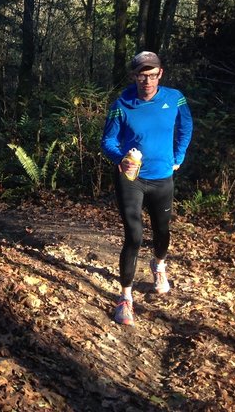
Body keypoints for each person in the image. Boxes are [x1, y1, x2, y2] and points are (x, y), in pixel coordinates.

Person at [101, 51, 193, 326]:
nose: (148, 80)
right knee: (134, 235)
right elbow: (107, 140)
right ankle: (125, 298)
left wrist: (179, 157)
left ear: (160, 74)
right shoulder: (121, 104)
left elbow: (186, 126)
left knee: (162, 232)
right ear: (134, 76)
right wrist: (121, 159)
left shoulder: (174, 98)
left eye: (153, 74)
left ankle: (158, 265)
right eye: (143, 75)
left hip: (163, 177)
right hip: (132, 179)